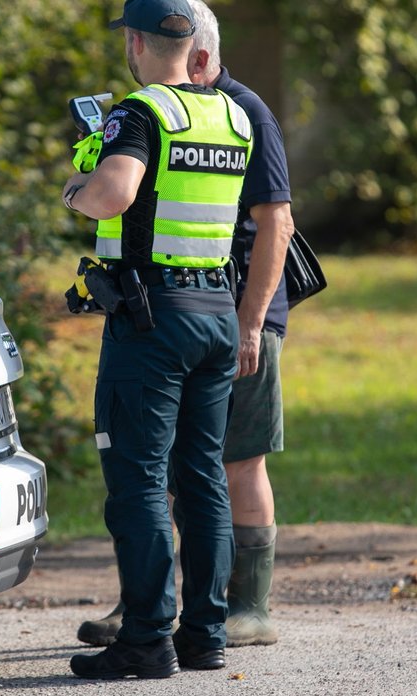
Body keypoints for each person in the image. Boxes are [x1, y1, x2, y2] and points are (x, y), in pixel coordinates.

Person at [76, 0, 295, 649]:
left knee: (208, 467)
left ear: (143, 44)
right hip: (213, 311)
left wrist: (254, 323)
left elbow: (275, 221)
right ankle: (192, 623)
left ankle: (223, 611)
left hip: (218, 311)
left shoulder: (209, 109)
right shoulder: (219, 115)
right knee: (192, 472)